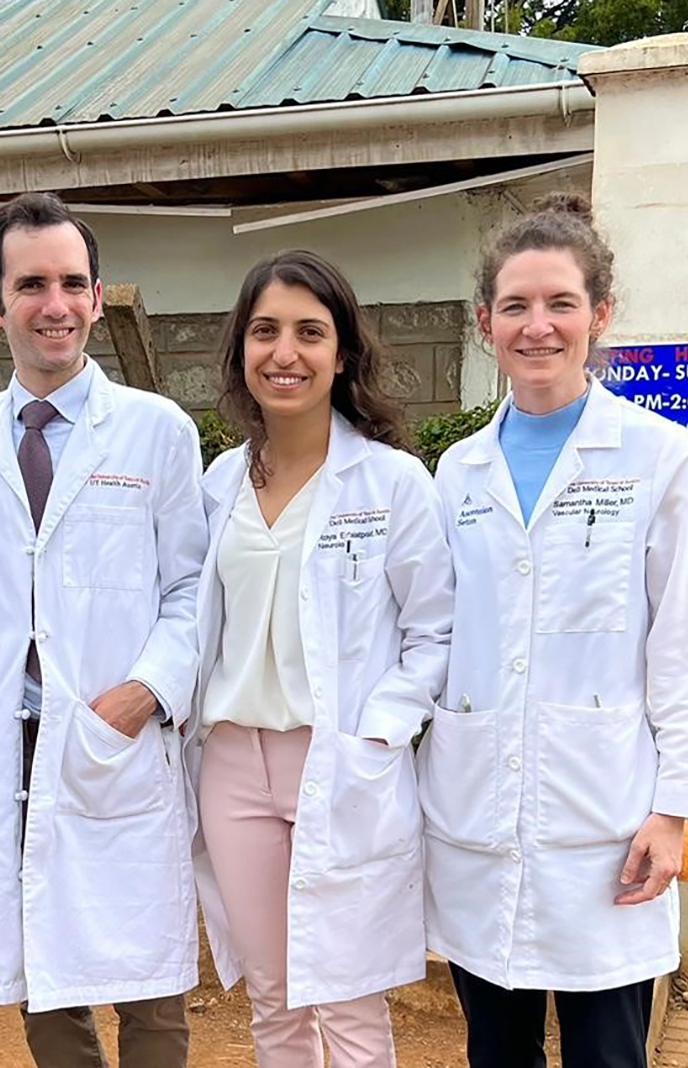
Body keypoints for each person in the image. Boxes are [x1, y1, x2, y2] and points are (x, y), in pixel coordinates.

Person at [419, 192, 688, 1068]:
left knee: (607, 1054)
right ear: (486, 323)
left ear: (600, 315)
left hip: (607, 819)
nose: (538, 326)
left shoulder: (659, 456)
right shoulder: (457, 470)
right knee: (496, 1049)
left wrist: (674, 814)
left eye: (560, 304)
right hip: (478, 814)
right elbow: (445, 634)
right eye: (515, 306)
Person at [0, 193, 207, 1068]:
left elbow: (193, 587)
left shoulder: (157, 431)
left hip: (114, 733)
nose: (57, 304)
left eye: (74, 283)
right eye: (33, 283)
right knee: (43, 973)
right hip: (10, 738)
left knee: (149, 976)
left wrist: (144, 693)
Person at [188, 251, 453, 1067]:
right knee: (273, 1000)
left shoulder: (392, 482)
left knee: (346, 997)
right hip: (234, 768)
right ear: (241, 351)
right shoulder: (217, 483)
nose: (285, 352)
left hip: (338, 762)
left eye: (310, 332)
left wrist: (378, 733)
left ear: (343, 355)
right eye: (264, 331)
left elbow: (435, 632)